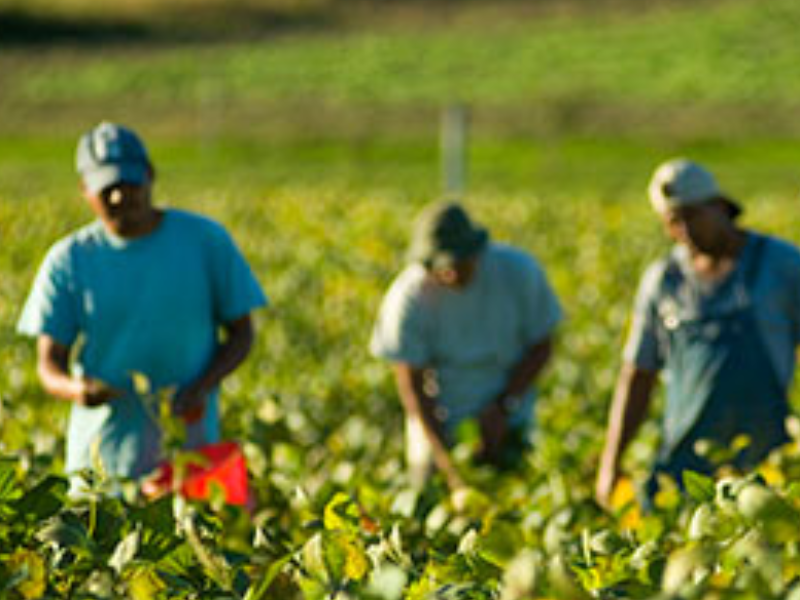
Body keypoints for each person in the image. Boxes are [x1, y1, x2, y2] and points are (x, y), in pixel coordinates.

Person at [17, 122, 267, 489]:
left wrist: (202, 386)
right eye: (107, 188)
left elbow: (242, 334)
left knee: (188, 523)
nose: (120, 197)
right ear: (85, 189)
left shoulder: (205, 241)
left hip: (190, 457)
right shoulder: (69, 260)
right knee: (101, 525)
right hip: (100, 462)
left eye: (129, 183)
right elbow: (49, 366)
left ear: (149, 176)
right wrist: (79, 390)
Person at [596, 158, 800, 506]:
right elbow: (637, 375)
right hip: (686, 465)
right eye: (673, 222)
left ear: (720, 207)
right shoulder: (664, 281)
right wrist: (610, 464)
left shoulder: (782, 265)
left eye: (692, 216)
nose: (685, 231)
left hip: (766, 463)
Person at [370, 201, 562, 489]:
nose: (451, 274)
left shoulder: (518, 272)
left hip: (511, 419)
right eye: (441, 267)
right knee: (428, 494)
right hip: (437, 424)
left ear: (476, 252)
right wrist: (445, 459)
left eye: (459, 263)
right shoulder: (408, 297)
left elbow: (542, 345)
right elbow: (412, 383)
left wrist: (503, 407)